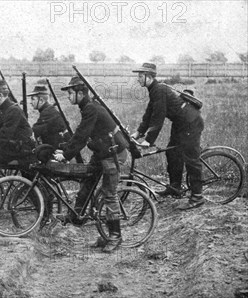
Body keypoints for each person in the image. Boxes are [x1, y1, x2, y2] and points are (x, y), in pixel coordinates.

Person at [54, 76, 129, 253]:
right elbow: (80, 133)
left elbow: (81, 135)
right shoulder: (88, 107)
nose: (68, 97)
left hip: (113, 153)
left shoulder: (91, 109)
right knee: (87, 181)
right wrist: (65, 150)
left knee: (109, 194)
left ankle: (115, 236)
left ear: (81, 93)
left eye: (70, 93)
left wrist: (65, 155)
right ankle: (76, 216)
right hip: (103, 151)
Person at [130, 63, 204, 210]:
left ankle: (197, 197)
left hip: (190, 122)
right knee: (172, 152)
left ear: (149, 77)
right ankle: (175, 187)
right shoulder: (154, 90)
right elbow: (149, 114)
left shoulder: (159, 90)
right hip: (181, 123)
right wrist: (138, 133)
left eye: (140, 76)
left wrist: (148, 141)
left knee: (191, 159)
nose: (138, 79)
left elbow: (158, 117)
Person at [0, 80, 35, 194]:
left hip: (23, 152)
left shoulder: (13, 110)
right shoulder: (5, 110)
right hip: (17, 149)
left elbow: (3, 136)